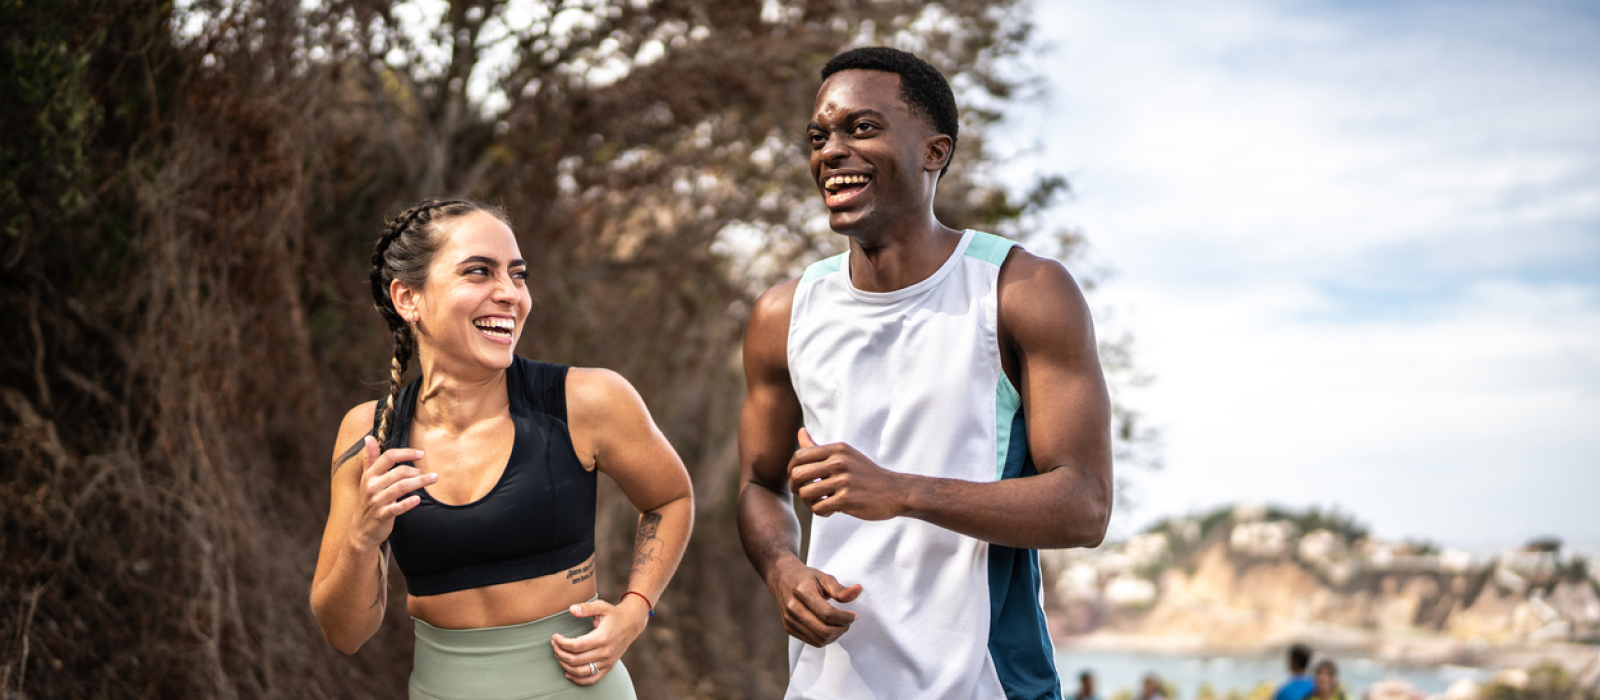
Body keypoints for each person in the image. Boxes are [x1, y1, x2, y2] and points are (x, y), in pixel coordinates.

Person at [736, 46, 1114, 699]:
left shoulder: (1020, 291)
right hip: (828, 684)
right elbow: (759, 484)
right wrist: (780, 568)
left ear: (933, 152)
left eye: (862, 128)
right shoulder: (784, 314)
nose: (831, 151)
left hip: (985, 682)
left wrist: (903, 491)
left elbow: (1083, 507)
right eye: (819, 136)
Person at [309, 198, 694, 699]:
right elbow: (344, 634)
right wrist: (363, 538)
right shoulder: (370, 436)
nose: (509, 294)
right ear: (409, 298)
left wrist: (635, 610)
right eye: (478, 272)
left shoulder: (587, 401)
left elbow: (671, 497)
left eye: (517, 274)